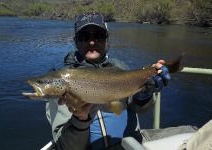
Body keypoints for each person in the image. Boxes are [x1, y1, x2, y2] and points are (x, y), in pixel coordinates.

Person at [45, 12, 171, 150]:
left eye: (98, 35)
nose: (92, 42)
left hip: (130, 145)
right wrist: (80, 119)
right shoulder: (62, 82)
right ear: (76, 41)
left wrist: (144, 94)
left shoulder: (121, 68)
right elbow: (66, 147)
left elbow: (137, 108)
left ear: (107, 39)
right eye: (85, 36)